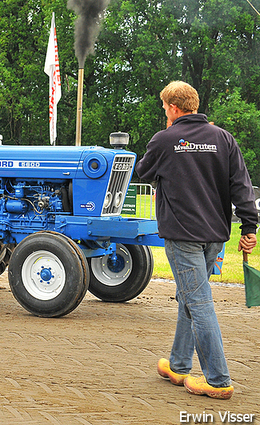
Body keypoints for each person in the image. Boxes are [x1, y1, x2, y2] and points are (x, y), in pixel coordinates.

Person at [135, 81, 258, 400]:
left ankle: (218, 380)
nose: (164, 113)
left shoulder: (164, 140)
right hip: (215, 236)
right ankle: (178, 365)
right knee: (190, 296)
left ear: (173, 108)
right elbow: (242, 187)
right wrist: (249, 228)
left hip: (182, 235)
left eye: (164, 108)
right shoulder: (223, 138)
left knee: (199, 302)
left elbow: (142, 172)